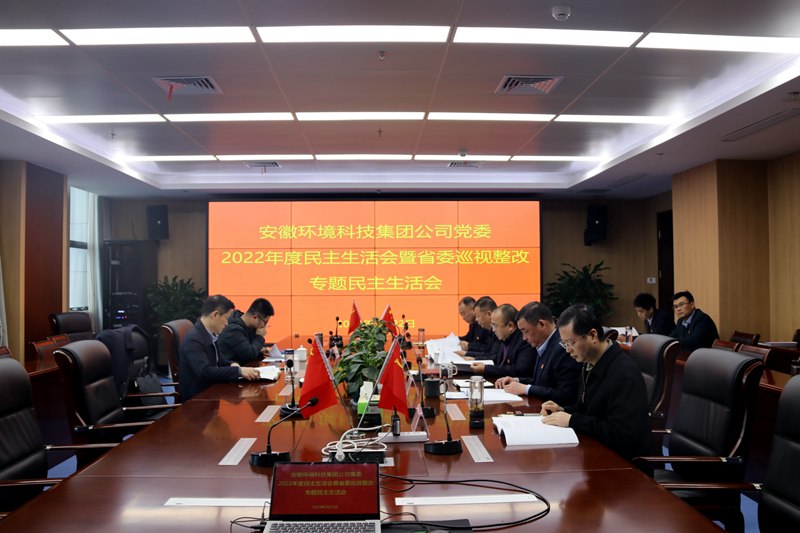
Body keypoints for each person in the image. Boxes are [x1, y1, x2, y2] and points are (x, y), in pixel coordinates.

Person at [540, 304, 651, 461]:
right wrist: (562, 410)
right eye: (564, 343)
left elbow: (621, 435)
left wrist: (572, 420)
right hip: (595, 452)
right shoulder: (589, 363)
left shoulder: (624, 374)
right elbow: (589, 410)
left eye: (571, 343)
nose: (567, 350)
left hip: (623, 464)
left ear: (592, 335)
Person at [495, 302, 581, 405]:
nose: (524, 338)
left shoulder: (563, 348)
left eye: (526, 331)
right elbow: (541, 382)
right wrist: (517, 381)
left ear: (542, 325)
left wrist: (527, 389)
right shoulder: (545, 344)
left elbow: (565, 394)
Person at [179, 295, 260, 401]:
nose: (227, 323)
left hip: (212, 394)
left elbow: (219, 361)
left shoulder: (210, 333)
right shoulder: (194, 339)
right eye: (226, 318)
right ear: (215, 315)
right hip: (198, 401)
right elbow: (205, 372)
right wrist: (238, 371)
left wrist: (232, 364)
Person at [470, 304, 536, 380]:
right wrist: (476, 360)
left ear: (510, 326)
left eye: (495, 326)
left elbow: (520, 370)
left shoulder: (525, 340)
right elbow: (497, 359)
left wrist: (486, 369)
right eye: (492, 326)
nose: (493, 330)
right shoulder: (504, 337)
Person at [217, 298, 274, 364]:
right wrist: (259, 336)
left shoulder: (245, 324)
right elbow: (249, 355)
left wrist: (260, 351)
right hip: (230, 368)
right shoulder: (233, 329)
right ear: (254, 317)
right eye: (265, 322)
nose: (264, 325)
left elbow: (245, 348)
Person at [455, 296, 500, 362]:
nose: (476, 319)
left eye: (478, 316)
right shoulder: (489, 328)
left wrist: (469, 354)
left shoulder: (493, 329)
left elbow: (491, 353)